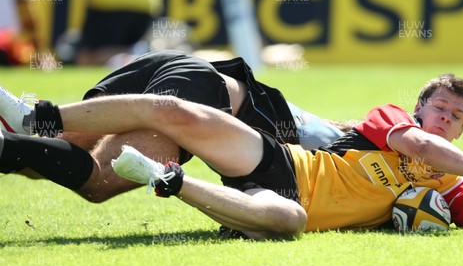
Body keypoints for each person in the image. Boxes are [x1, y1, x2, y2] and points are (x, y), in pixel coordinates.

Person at [0, 74, 463, 240]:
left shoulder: (448, 190)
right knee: (172, 109)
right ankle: (41, 118)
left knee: (290, 221)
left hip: (284, 201)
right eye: (440, 109)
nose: (445, 120)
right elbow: (420, 146)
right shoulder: (390, 123)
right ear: (419, 109)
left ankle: (166, 180)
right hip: (284, 163)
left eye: (457, 116)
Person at [0, 50, 342, 203]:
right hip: (201, 96)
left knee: (57, 151)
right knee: (100, 180)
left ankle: (16, 133)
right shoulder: (346, 158)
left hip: (178, 66)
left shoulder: (336, 138)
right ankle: (29, 118)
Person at [75, 0, 163, 65]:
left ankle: (139, 54)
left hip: (109, 1)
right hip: (147, 1)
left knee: (89, 56)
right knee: (118, 52)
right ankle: (139, 53)